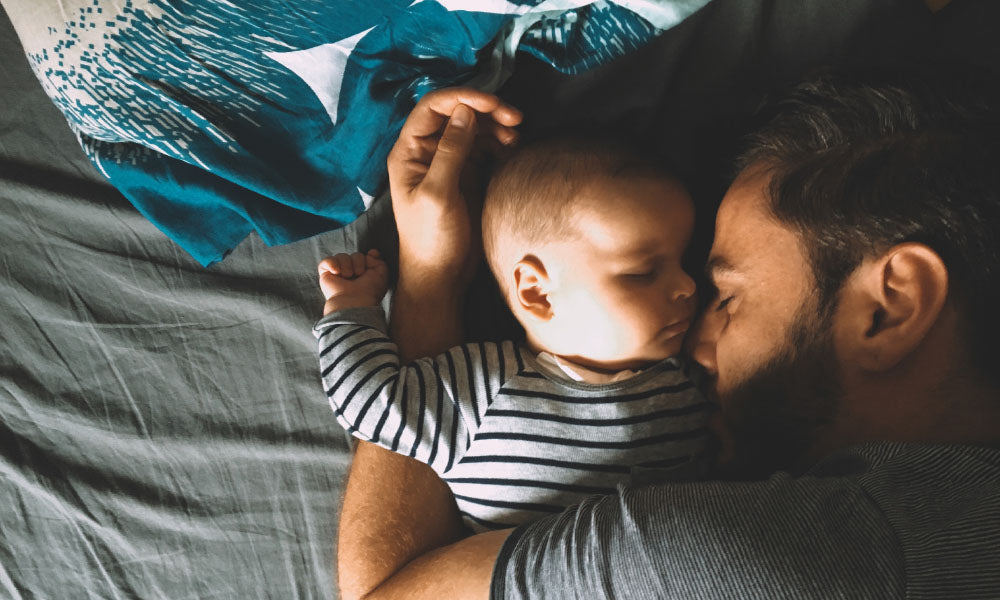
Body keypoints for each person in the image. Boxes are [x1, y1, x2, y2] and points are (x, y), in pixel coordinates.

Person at [335, 63, 1000, 598]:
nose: (693, 341)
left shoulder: (749, 557)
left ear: (890, 308)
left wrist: (432, 278)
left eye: (729, 298)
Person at [314, 135, 711, 532]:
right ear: (538, 293)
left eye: (684, 260)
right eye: (643, 272)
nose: (688, 286)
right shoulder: (481, 391)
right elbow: (371, 402)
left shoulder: (695, 378)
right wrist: (351, 306)